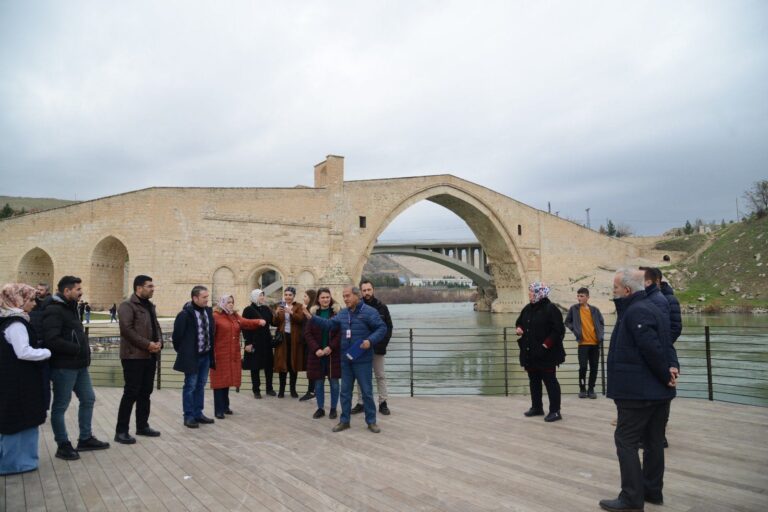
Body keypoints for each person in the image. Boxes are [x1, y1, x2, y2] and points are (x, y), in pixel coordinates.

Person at [599, 269, 678, 512]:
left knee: (626, 440)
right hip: (655, 391)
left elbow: (651, 348)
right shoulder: (654, 306)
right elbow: (666, 343)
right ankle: (652, 491)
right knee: (653, 442)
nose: (613, 292)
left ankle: (632, 498)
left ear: (627, 290)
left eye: (615, 288)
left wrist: (665, 373)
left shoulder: (635, 311)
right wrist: (672, 368)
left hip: (638, 392)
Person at [42, 275, 110, 460]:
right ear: (67, 291)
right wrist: (76, 349)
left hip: (79, 365)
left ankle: (85, 438)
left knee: (88, 399)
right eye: (78, 289)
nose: (81, 292)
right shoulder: (54, 310)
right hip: (64, 367)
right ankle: (62, 444)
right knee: (61, 406)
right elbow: (51, 339)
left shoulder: (71, 307)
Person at [303, 286, 387, 433]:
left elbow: (382, 328)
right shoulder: (343, 313)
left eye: (347, 296)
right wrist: (312, 317)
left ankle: (371, 421)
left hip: (363, 360)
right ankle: (344, 421)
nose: (345, 299)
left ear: (357, 296)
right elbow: (328, 324)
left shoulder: (369, 312)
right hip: (346, 359)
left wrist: (370, 341)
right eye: (343, 296)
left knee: (367, 392)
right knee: (345, 392)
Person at [0, 284, 52, 476]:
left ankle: (17, 460)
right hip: (19, 382)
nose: (34, 303)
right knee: (19, 419)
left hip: (14, 380)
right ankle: (15, 463)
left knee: (18, 418)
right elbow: (22, 352)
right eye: (30, 300)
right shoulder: (16, 324)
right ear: (18, 301)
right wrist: (46, 352)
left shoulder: (8, 320)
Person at [114, 275, 163, 445]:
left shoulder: (149, 306)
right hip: (133, 357)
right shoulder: (127, 306)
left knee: (145, 392)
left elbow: (156, 327)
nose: (152, 289)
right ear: (139, 288)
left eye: (152, 286)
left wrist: (159, 342)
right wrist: (147, 344)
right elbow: (127, 330)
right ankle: (121, 431)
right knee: (131, 393)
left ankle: (142, 426)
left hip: (149, 356)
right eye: (149, 286)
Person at [515, 282, 566, 422]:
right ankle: (537, 407)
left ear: (540, 293)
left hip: (547, 354)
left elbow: (558, 330)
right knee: (534, 381)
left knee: (550, 382)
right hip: (530, 353)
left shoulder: (550, 309)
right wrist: (519, 328)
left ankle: (555, 411)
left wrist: (545, 345)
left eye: (532, 291)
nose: (530, 293)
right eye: (530, 291)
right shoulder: (527, 308)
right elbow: (519, 322)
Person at [210, 294, 265, 419]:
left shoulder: (234, 316)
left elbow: (246, 323)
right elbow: (210, 336)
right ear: (222, 303)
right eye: (228, 302)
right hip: (219, 355)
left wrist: (258, 322)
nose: (231, 304)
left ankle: (225, 407)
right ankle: (218, 410)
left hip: (232, 354)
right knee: (219, 383)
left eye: (232, 302)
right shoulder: (215, 316)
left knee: (227, 381)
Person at [172, 286, 216, 428]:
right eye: (204, 297)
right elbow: (177, 337)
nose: (207, 300)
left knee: (200, 385)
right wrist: (185, 353)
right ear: (195, 298)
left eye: (207, 297)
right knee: (190, 386)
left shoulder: (208, 312)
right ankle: (189, 416)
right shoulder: (184, 315)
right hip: (192, 357)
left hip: (206, 356)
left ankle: (198, 413)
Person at [351, 280, 393, 416]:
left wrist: (383, 344)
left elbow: (388, 327)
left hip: (377, 348)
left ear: (373, 290)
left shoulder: (382, 307)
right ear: (361, 292)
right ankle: (361, 403)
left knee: (380, 376)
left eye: (369, 290)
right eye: (364, 290)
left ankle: (383, 403)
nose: (367, 293)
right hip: (361, 349)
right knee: (360, 376)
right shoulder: (356, 307)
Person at [304, 288, 341, 419]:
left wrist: (331, 347)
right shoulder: (313, 313)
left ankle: (333, 409)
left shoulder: (337, 312)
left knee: (334, 383)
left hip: (332, 354)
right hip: (317, 354)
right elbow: (307, 333)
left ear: (331, 298)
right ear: (318, 299)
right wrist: (316, 349)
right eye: (323, 297)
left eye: (327, 297)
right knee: (318, 383)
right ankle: (320, 408)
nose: (325, 300)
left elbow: (340, 333)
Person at [564, 287, 604, 399]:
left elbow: (601, 323)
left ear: (587, 297)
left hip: (595, 344)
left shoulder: (595, 310)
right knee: (583, 367)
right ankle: (582, 389)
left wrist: (600, 334)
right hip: (583, 344)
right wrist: (575, 330)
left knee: (594, 368)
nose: (579, 298)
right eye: (578, 296)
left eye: (581, 296)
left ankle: (591, 389)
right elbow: (567, 322)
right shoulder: (574, 309)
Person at [272, 287, 306, 398]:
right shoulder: (280, 306)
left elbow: (301, 319)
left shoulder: (299, 306)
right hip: (283, 339)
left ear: (294, 296)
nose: (288, 297)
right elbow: (275, 323)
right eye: (286, 294)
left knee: (293, 364)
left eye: (290, 295)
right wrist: (276, 313)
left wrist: (291, 312)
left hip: (295, 339)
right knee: (282, 363)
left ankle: (293, 390)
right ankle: (281, 390)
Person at [242, 289, 275, 398]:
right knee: (255, 366)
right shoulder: (248, 310)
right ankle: (256, 390)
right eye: (260, 296)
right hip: (254, 341)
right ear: (255, 297)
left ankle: (269, 388)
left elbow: (272, 322)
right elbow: (244, 326)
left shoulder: (266, 308)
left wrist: (278, 313)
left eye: (263, 295)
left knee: (269, 366)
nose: (262, 298)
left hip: (266, 341)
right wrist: (248, 342)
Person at [299, 289, 318, 402]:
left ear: (311, 298)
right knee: (310, 368)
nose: (303, 298)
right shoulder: (307, 309)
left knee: (312, 368)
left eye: (305, 296)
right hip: (307, 344)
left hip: (311, 345)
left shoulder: (312, 311)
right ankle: (312, 390)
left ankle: (312, 391)